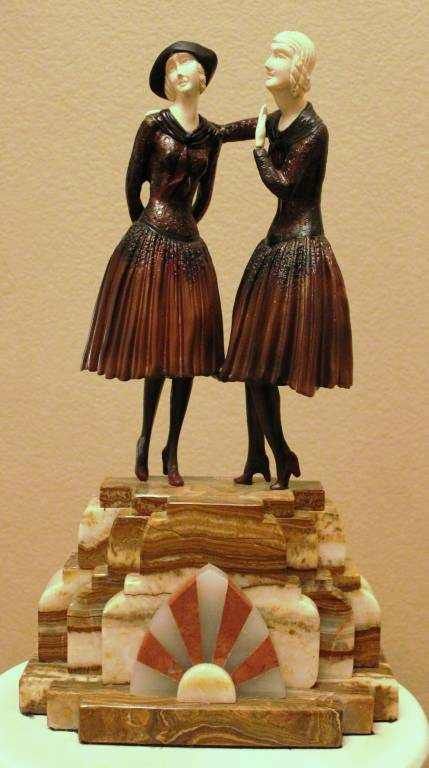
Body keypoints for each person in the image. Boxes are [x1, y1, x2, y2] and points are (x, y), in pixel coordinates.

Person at [81, 41, 256, 486]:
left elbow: (207, 193)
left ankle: (171, 448)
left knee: (187, 352)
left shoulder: (210, 135)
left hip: (188, 243)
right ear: (166, 83)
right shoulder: (152, 125)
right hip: (153, 234)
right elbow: (132, 183)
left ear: (203, 79)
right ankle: (144, 436)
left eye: (188, 66)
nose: (181, 73)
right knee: (159, 350)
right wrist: (146, 228)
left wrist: (278, 119)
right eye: (173, 69)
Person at [220, 31, 353, 490]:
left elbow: (284, 183)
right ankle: (257, 454)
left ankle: (281, 454)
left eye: (277, 55)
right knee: (249, 362)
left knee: (260, 364)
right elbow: (227, 131)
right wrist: (186, 124)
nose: (267, 63)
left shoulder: (314, 131)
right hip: (276, 248)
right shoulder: (277, 121)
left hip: (299, 252)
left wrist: (259, 151)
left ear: (297, 68)